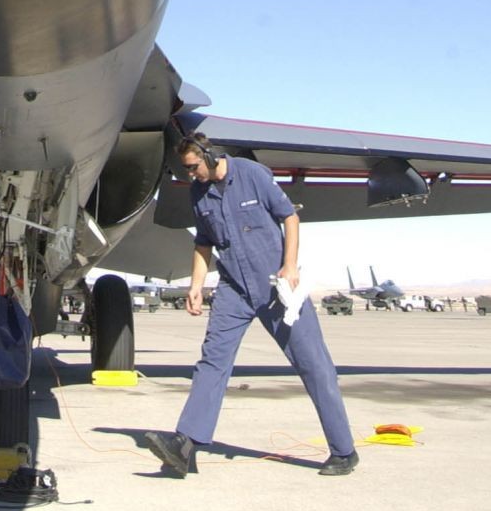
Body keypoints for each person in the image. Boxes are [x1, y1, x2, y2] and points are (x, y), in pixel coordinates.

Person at [146, 136, 360, 479]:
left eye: (192, 167)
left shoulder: (253, 175)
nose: (189, 175)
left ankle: (344, 451)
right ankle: (185, 444)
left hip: (277, 287)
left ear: (212, 157)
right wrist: (197, 285)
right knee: (212, 361)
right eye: (184, 169)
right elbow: (203, 243)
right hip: (233, 288)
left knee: (313, 365)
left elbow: (289, 217)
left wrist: (289, 266)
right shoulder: (198, 193)